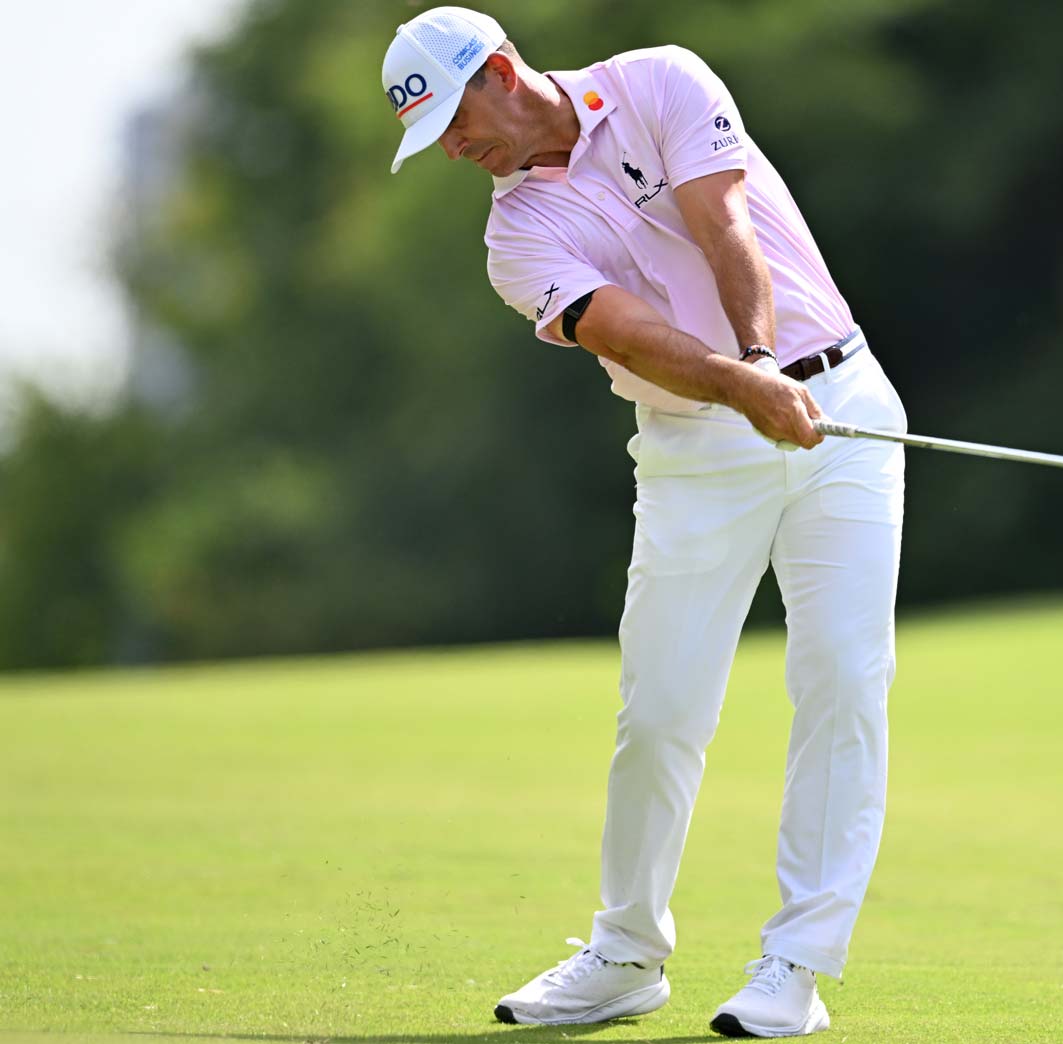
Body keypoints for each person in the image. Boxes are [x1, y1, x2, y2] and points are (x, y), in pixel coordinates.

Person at [381, 8, 906, 1037]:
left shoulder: (659, 81)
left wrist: (761, 367)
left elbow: (726, 227)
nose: (451, 146)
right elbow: (628, 332)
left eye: (452, 116)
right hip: (692, 449)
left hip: (837, 403)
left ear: (497, 71)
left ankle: (793, 969)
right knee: (661, 708)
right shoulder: (513, 238)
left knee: (843, 679)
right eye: (433, 136)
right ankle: (625, 953)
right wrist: (738, 390)